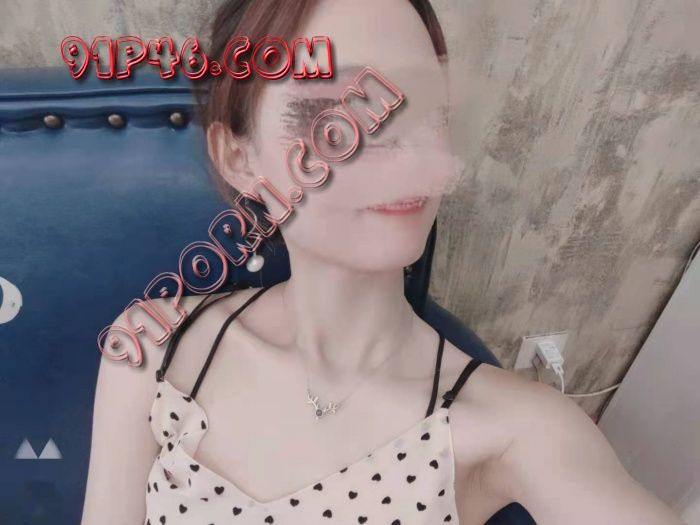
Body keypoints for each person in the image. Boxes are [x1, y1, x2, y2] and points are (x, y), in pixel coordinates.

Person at [81, 0, 684, 523]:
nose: (406, 154)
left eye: (427, 110)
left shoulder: (515, 429)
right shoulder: (153, 347)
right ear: (239, 158)